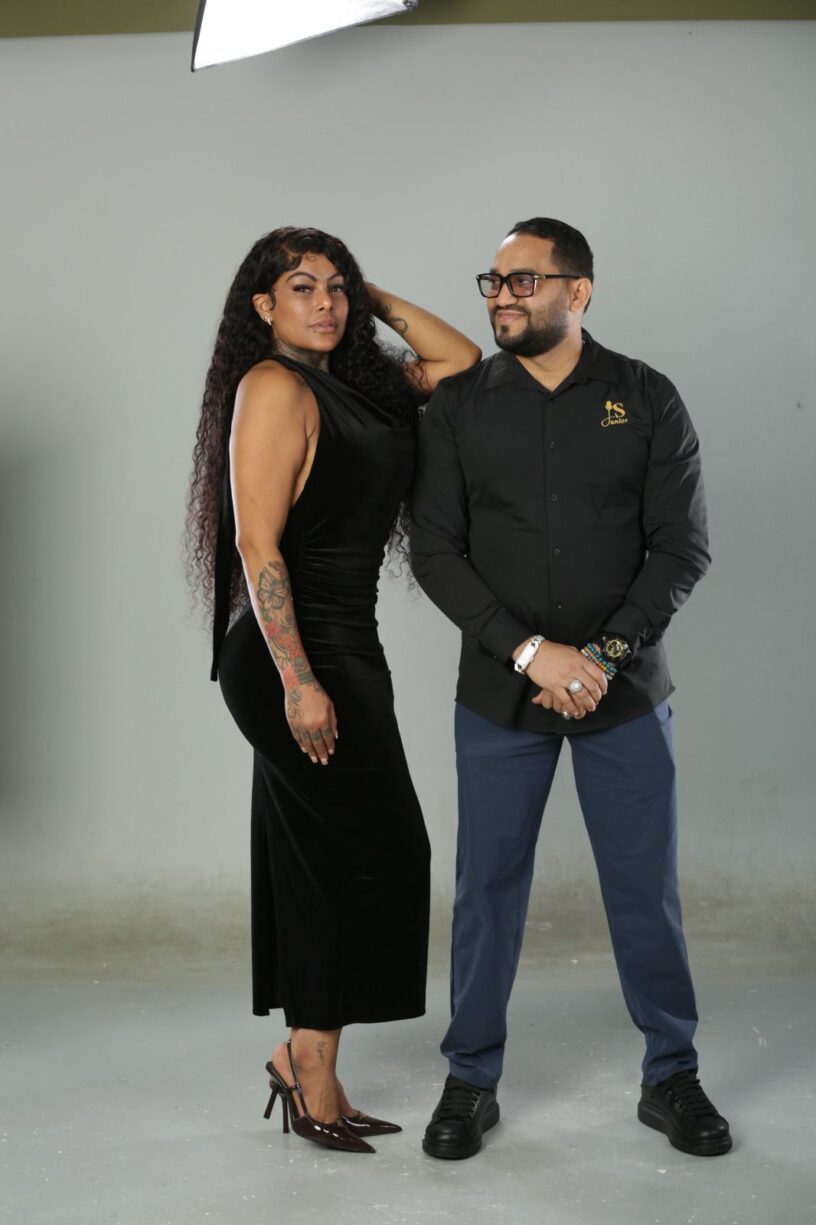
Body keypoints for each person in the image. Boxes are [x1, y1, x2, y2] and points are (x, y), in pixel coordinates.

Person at [410, 218, 732, 1161]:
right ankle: (471, 1078)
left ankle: (671, 1074)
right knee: (485, 890)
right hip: (497, 693)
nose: (500, 296)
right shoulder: (458, 407)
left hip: (623, 693)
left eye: (523, 280)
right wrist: (530, 655)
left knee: (643, 888)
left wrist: (599, 657)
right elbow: (436, 550)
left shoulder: (647, 396)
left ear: (578, 291)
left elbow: (682, 546)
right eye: (493, 281)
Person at [186, 226, 480, 1154]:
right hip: (295, 659)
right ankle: (309, 1061)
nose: (326, 303)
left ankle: (306, 1060)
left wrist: (369, 291)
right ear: (262, 306)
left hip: (350, 646)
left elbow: (460, 361)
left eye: (336, 288)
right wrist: (299, 679)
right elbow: (257, 542)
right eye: (302, 288)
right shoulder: (272, 386)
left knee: (317, 860)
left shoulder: (362, 385)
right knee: (383, 849)